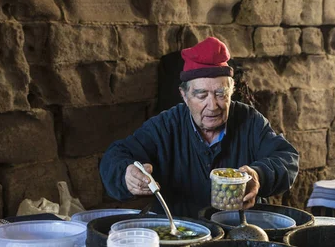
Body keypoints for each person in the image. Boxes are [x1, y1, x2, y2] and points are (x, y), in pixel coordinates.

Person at [99, 37, 300, 218]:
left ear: (231, 91)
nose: (212, 106)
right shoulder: (166, 125)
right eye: (201, 95)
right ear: (184, 96)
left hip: (238, 232)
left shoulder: (249, 120)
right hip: (181, 230)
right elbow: (116, 155)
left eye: (221, 94)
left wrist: (259, 176)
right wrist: (126, 174)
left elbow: (287, 158)